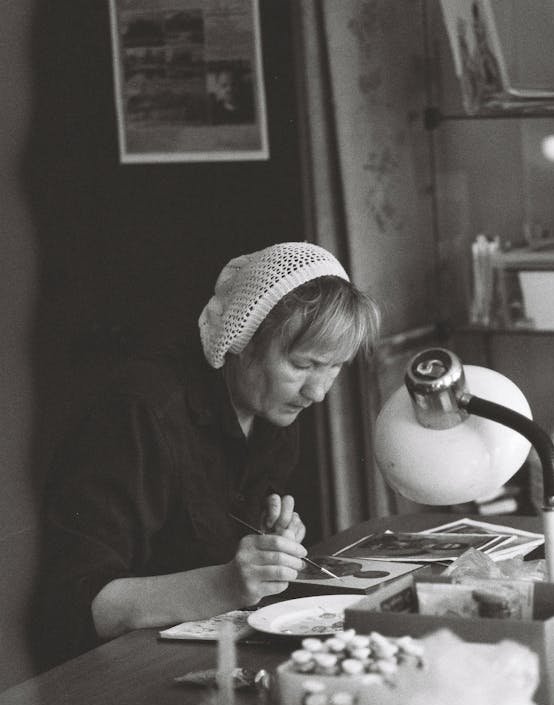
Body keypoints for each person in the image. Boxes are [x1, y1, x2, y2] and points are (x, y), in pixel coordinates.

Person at [34, 242, 380, 667]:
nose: (318, 392)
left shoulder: (272, 411)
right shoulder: (141, 412)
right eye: (303, 365)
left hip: (203, 656)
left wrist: (265, 541)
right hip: (107, 674)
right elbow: (78, 607)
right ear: (243, 339)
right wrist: (227, 583)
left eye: (334, 367)